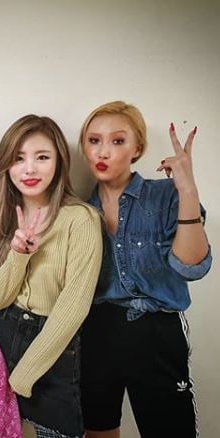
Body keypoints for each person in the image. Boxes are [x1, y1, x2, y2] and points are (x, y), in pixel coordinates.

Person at [78, 101, 212, 438]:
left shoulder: (165, 196)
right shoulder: (79, 211)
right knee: (98, 430)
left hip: (156, 332)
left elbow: (191, 267)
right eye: (94, 141)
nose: (103, 151)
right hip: (96, 332)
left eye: (118, 141)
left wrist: (187, 189)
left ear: (137, 148)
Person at [0, 114, 102, 437]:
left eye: (42, 157)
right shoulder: (5, 216)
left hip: (54, 352)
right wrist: (18, 255)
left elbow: (73, 308)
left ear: (59, 162)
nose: (30, 169)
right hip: (4, 343)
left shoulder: (81, 219)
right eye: (18, 158)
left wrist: (22, 376)